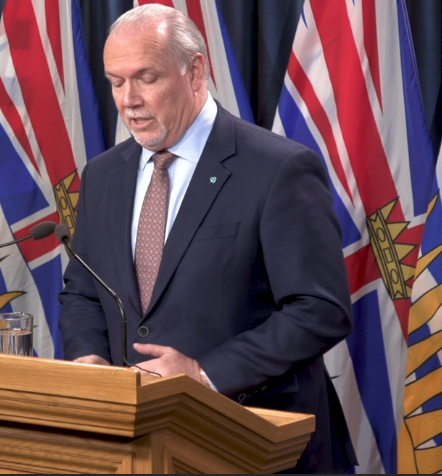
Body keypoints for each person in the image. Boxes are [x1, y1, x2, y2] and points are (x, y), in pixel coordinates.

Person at [58, 4, 357, 474]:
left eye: (146, 78)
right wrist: (89, 358)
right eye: (116, 82)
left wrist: (202, 373)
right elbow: (84, 290)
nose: (128, 100)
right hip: (136, 443)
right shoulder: (103, 175)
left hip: (256, 440)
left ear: (195, 71)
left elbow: (320, 309)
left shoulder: (278, 168)